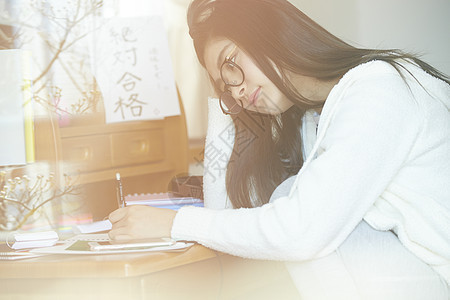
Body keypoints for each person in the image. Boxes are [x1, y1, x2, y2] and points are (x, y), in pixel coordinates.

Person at [109, 0, 450, 298]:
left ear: (268, 30)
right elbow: (224, 212)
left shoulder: (379, 89)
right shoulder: (311, 120)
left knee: (296, 210)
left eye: (231, 61)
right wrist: (223, 95)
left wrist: (174, 223)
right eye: (226, 86)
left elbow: (300, 232)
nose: (237, 92)